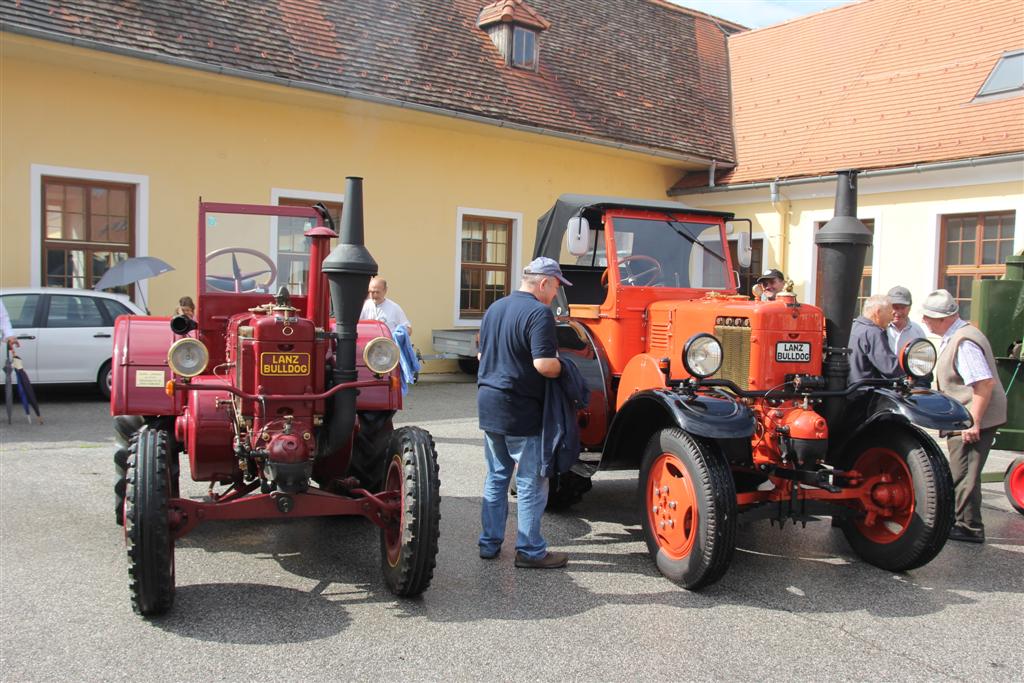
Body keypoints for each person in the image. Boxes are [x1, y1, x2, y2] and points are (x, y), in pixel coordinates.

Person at [476, 256, 571, 569]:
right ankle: (530, 551)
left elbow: (481, 354)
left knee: (497, 475)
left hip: (489, 403)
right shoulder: (538, 312)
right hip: (520, 408)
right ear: (543, 283)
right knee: (531, 480)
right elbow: (543, 364)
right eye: (555, 288)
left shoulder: (494, 308)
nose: (555, 295)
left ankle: (489, 544)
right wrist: (567, 368)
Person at [920, 289, 1007, 543]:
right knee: (964, 471)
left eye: (929, 317)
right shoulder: (957, 335)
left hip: (972, 416)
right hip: (967, 414)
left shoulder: (964, 341)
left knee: (964, 472)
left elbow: (983, 384)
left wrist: (974, 422)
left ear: (944, 318)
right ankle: (965, 522)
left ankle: (968, 526)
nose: (925, 321)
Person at [848, 294, 903, 383]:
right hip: (868, 392)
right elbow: (890, 368)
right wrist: (907, 374)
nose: (892, 318)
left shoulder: (853, 328)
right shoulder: (873, 333)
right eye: (890, 313)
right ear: (878, 312)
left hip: (850, 390)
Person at [886, 286, 931, 387]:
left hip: (910, 386)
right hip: (884, 385)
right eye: (894, 307)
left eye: (902, 307)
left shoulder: (917, 331)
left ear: (909, 308)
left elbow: (924, 362)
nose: (898, 312)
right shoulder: (880, 329)